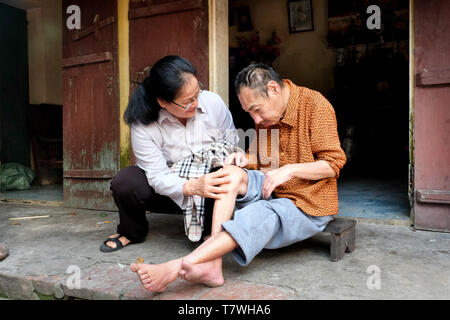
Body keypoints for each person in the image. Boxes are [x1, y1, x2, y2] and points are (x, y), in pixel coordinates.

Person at [129, 63, 347, 292]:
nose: (255, 118)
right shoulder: (266, 116)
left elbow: (333, 164)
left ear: (273, 89)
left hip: (308, 202)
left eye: (257, 109)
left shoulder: (315, 105)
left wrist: (290, 169)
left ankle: (182, 265)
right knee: (228, 174)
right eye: (249, 112)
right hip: (271, 187)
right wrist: (243, 158)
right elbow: (259, 157)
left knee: (260, 214)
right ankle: (213, 264)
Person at [100, 55, 249, 255]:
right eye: (188, 101)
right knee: (126, 182)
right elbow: (157, 175)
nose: (196, 103)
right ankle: (131, 232)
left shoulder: (212, 103)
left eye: (197, 93)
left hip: (208, 190)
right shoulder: (143, 125)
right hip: (169, 191)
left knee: (223, 174)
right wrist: (191, 186)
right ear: (163, 101)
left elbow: (230, 143)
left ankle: (210, 233)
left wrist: (235, 156)